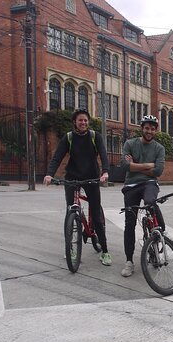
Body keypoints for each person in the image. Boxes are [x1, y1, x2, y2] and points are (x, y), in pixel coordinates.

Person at [43, 108, 111, 266]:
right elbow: (57, 157)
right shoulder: (69, 138)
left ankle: (105, 251)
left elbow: (103, 155)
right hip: (72, 178)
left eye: (86, 120)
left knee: (96, 213)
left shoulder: (95, 136)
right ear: (75, 122)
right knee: (70, 212)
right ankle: (71, 248)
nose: (83, 122)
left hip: (92, 178)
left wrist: (105, 172)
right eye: (80, 120)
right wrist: (49, 174)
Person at [119, 115, 166, 277]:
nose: (149, 131)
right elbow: (125, 165)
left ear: (155, 130)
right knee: (129, 223)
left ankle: (160, 230)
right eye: (147, 128)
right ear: (142, 128)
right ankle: (129, 261)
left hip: (150, 183)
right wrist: (148, 165)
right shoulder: (130, 143)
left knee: (150, 201)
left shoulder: (159, 148)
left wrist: (135, 166)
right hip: (131, 185)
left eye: (153, 129)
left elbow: (159, 171)